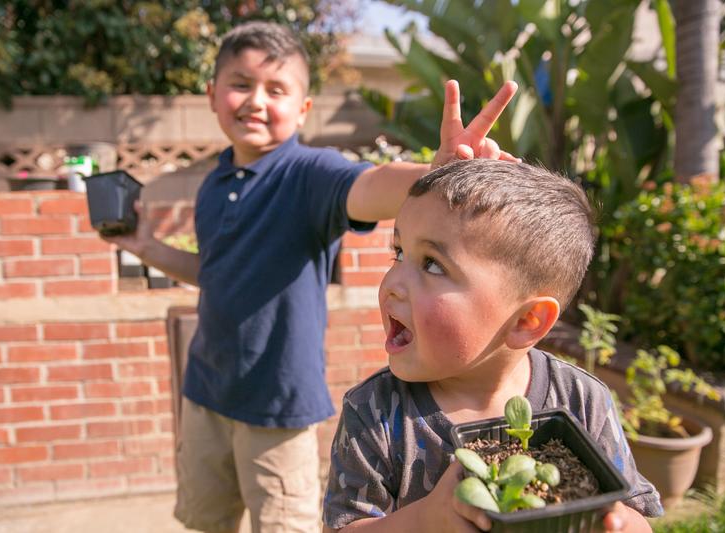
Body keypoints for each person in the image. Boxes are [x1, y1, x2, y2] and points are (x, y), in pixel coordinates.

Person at [102, 20, 517, 533]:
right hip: (205, 393)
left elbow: (369, 185)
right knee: (205, 524)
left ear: (303, 109)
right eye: (240, 84)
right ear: (212, 96)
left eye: (276, 89)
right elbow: (214, 274)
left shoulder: (307, 173)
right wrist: (146, 247)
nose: (256, 101)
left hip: (276, 409)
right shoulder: (214, 183)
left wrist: (434, 174)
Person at [322, 159, 664, 533]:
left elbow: (633, 510)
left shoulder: (581, 400)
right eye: (399, 252)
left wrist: (622, 523)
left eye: (432, 265)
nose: (392, 282)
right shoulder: (375, 412)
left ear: (525, 322)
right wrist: (425, 519)